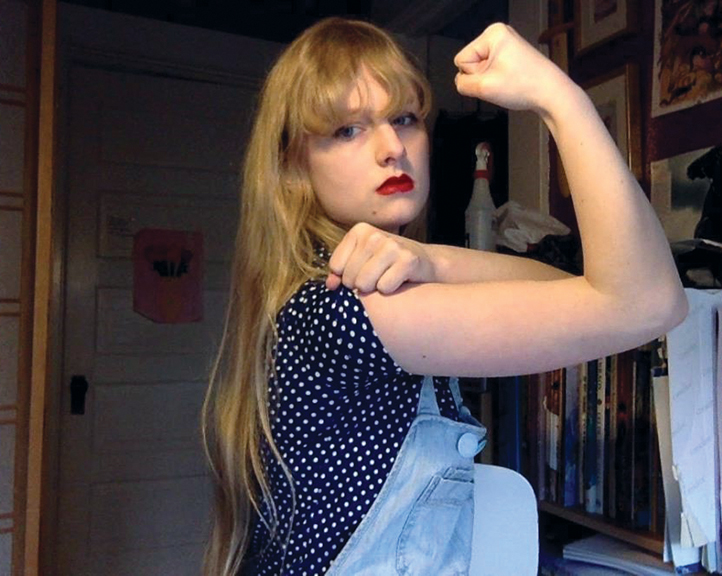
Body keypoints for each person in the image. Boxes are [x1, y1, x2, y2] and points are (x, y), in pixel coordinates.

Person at [201, 16, 687, 576]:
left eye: (404, 119)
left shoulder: (323, 295)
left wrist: (435, 260)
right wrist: (558, 97)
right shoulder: (348, 308)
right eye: (347, 130)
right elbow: (647, 303)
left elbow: (588, 293)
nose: (392, 149)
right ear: (295, 166)